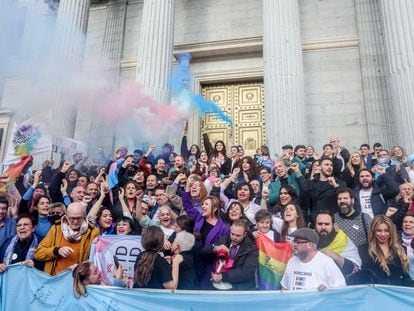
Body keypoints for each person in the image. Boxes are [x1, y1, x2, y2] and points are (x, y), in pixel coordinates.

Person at [35, 202, 100, 275]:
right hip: (55, 280)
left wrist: (80, 267)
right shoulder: (56, 229)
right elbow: (38, 253)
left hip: (77, 281)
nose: (75, 222)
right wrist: (57, 251)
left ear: (84, 216)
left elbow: (96, 260)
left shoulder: (93, 232)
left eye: (79, 218)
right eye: (72, 218)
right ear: (66, 216)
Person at [280, 228, 346, 291]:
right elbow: (285, 288)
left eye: (297, 242)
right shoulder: (292, 261)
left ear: (310, 245)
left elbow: (341, 289)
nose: (294, 244)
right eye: (294, 241)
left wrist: (327, 290)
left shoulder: (326, 262)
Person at [203, 220, 258, 290]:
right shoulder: (223, 240)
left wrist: (222, 276)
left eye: (238, 235)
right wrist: (214, 249)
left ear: (245, 234)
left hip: (239, 289)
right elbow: (202, 254)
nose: (234, 237)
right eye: (232, 234)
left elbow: (248, 272)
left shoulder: (252, 247)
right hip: (217, 286)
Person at [359, 215, 412, 286]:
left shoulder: (401, 249)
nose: (383, 234)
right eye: (379, 231)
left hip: (396, 293)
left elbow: (405, 277)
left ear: (391, 232)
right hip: (375, 294)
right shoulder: (363, 250)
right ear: (373, 231)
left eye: (386, 231)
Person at [315, 211, 361, 278]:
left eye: (327, 224)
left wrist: (335, 257)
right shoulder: (309, 240)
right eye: (320, 224)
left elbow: (356, 269)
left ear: (334, 225)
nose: (323, 227)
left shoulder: (343, 240)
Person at [333, 187, 371, 263]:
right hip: (340, 260)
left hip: (362, 260)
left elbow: (373, 239)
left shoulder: (364, 218)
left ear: (352, 200)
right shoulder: (333, 219)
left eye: (345, 198)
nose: (342, 201)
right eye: (339, 199)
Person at [401, 212, 414, 280]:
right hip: (402, 279)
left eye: (411, 222)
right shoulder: (395, 240)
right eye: (405, 222)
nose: (407, 224)